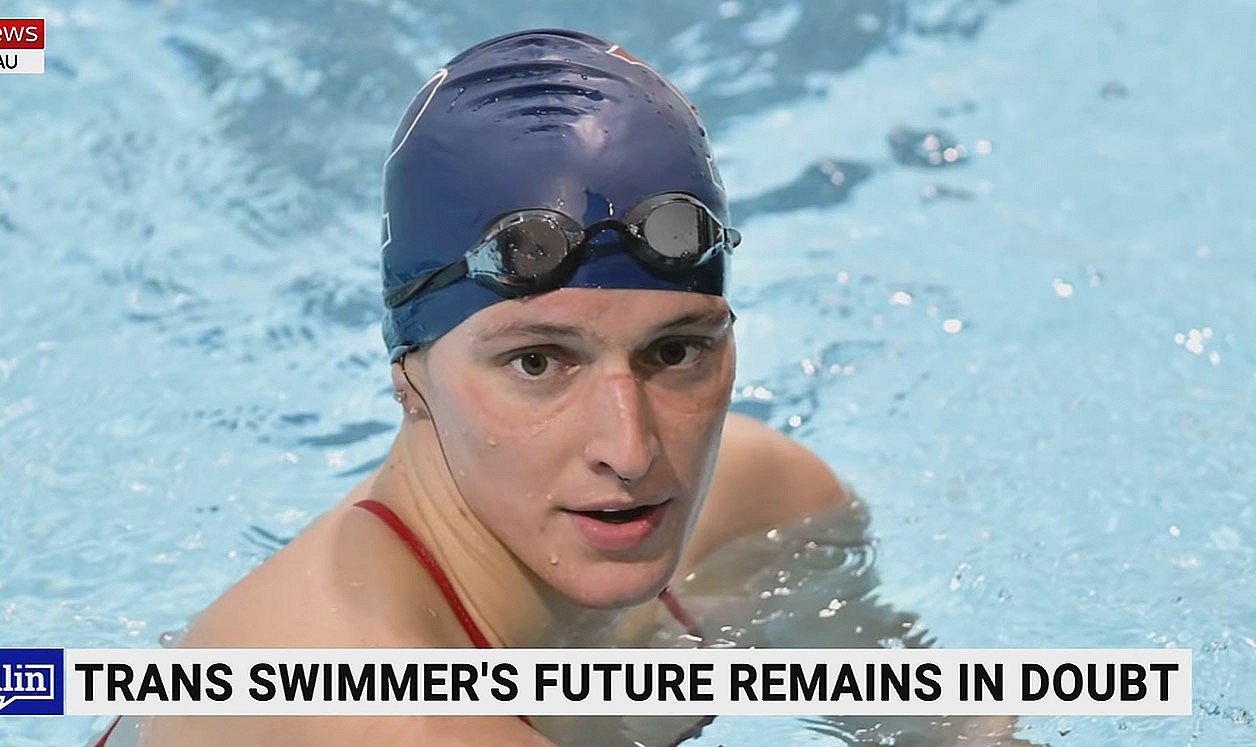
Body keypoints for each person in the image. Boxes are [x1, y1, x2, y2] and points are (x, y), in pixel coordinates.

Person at [92, 28, 1021, 747]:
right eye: (538, 362)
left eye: (676, 351)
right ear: (410, 378)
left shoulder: (769, 510)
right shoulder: (378, 710)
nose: (631, 450)